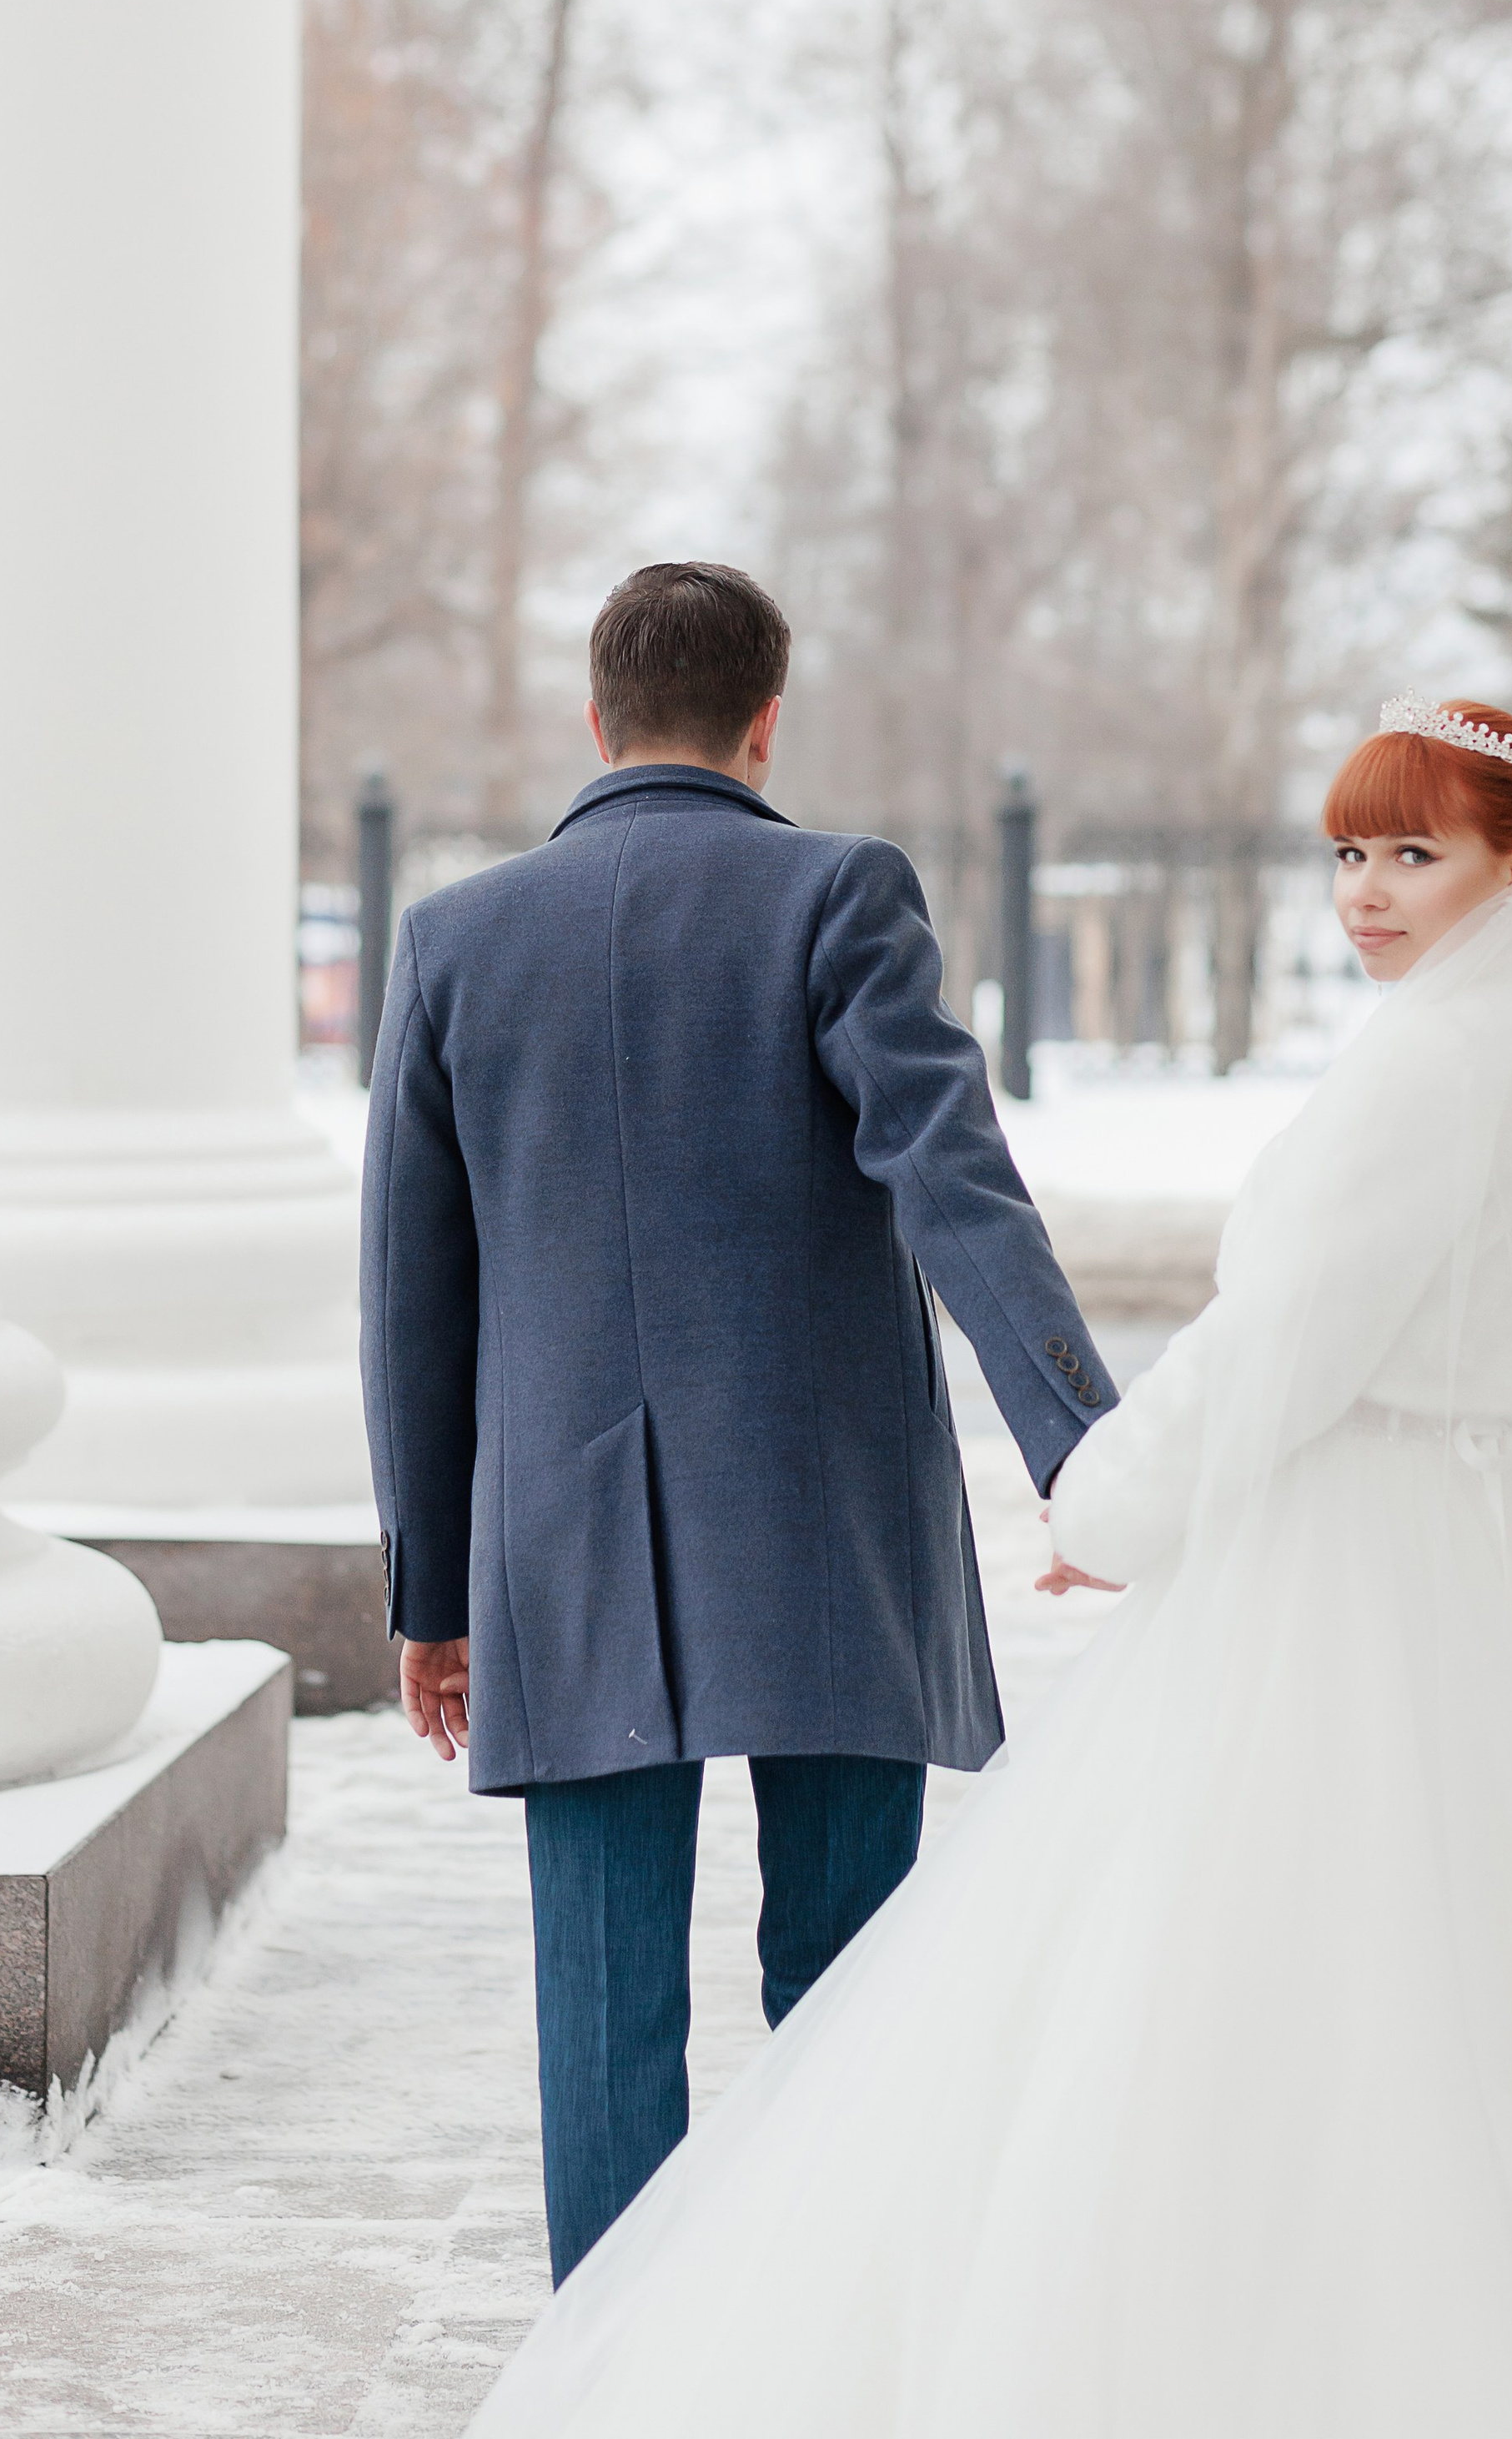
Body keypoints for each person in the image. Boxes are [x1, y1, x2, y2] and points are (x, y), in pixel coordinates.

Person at [468, 695, 1512, 2439]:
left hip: (1378, 1579)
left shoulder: (1434, 1067)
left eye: (1412, 853)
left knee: (1279, 2002)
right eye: (1347, 851)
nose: (1364, 891)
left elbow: (1289, 1334)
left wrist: (1103, 1503)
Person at [358, 561, 1115, 2286]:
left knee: (604, 2008)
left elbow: (413, 1294)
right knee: (849, 1994)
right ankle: (835, 2342)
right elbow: (956, 1187)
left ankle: (612, 2381)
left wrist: (432, 1595)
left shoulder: (455, 942)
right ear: (766, 720)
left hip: (563, 1541)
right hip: (826, 1528)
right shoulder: (838, 897)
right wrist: (1084, 1448)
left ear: (595, 715)